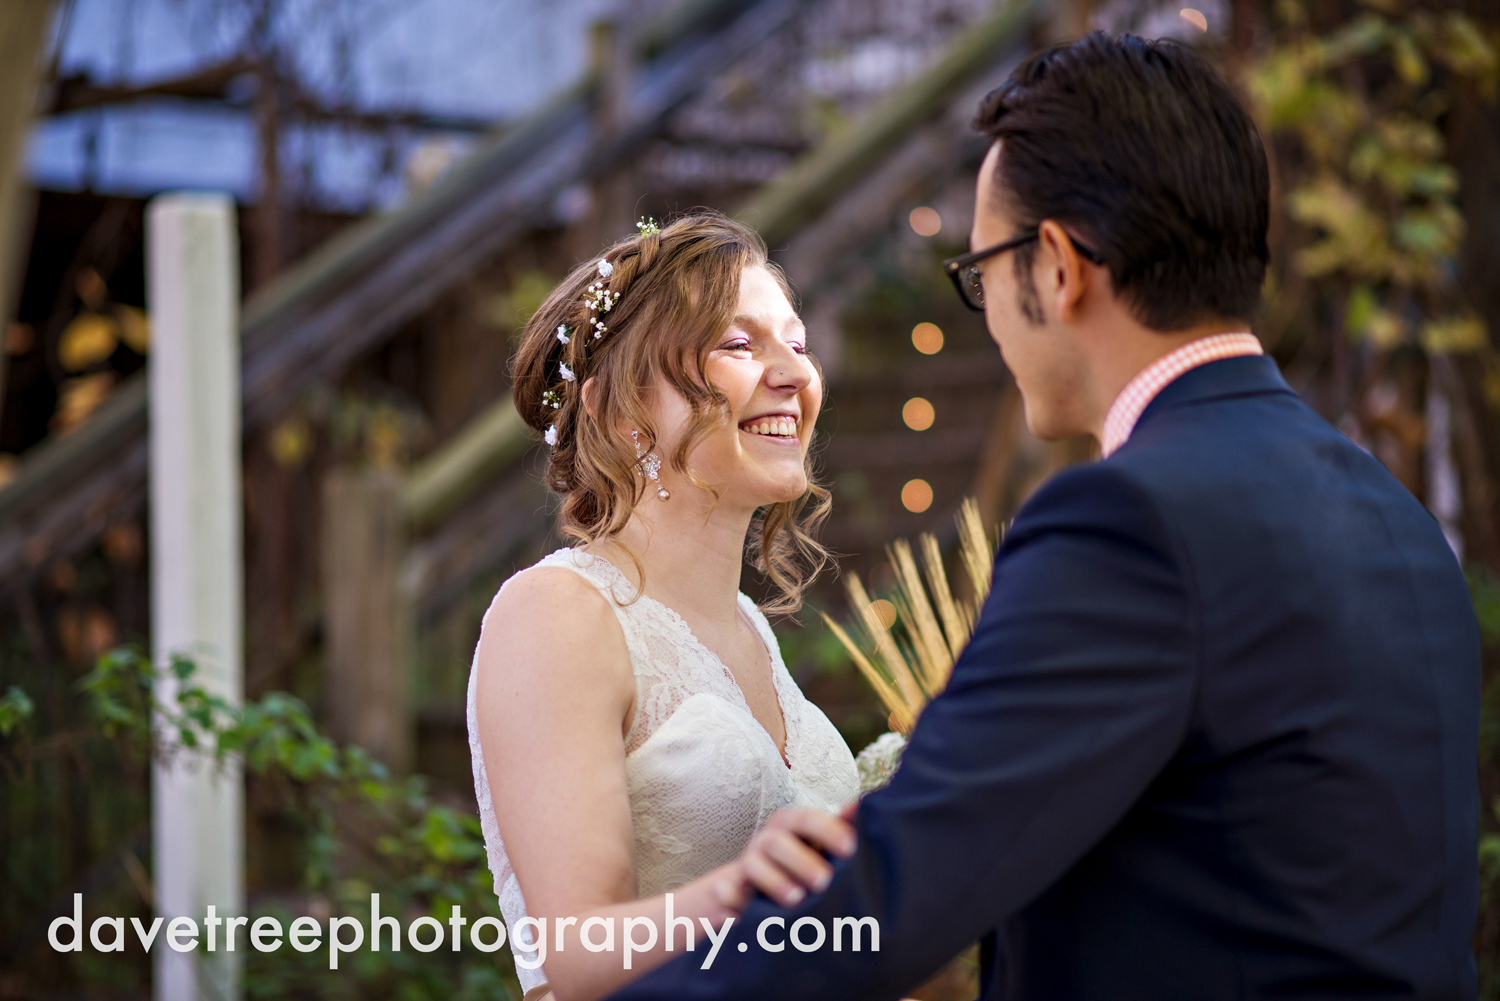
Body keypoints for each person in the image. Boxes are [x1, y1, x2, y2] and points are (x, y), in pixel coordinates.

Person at [602, 32, 1481, 1001]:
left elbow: (902, 893)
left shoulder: (1128, 520)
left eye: (982, 276)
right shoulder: (1395, 519)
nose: (990, 314)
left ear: (1057, 266)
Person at [466, 212, 863, 1001]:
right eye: (741, 345)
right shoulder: (557, 612)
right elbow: (576, 953)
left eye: (798, 342)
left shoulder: (749, 629)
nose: (792, 373)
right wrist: (746, 893)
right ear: (623, 410)